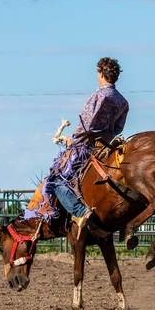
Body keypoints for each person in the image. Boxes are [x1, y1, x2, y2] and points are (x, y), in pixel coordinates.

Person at [47, 57, 129, 230]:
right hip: (106, 145)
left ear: (101, 73)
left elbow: (87, 123)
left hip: (84, 147)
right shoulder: (123, 101)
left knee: (55, 180)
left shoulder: (97, 95)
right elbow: (118, 128)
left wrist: (72, 139)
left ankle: (81, 211)